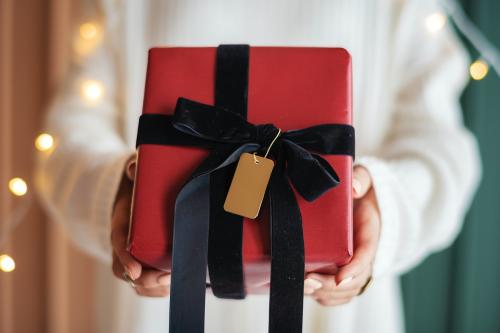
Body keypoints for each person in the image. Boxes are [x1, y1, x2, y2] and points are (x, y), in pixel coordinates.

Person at [36, 0, 481, 332]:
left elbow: (441, 147)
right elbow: (68, 135)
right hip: (153, 307)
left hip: (341, 315)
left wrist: (380, 203)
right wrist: (119, 191)